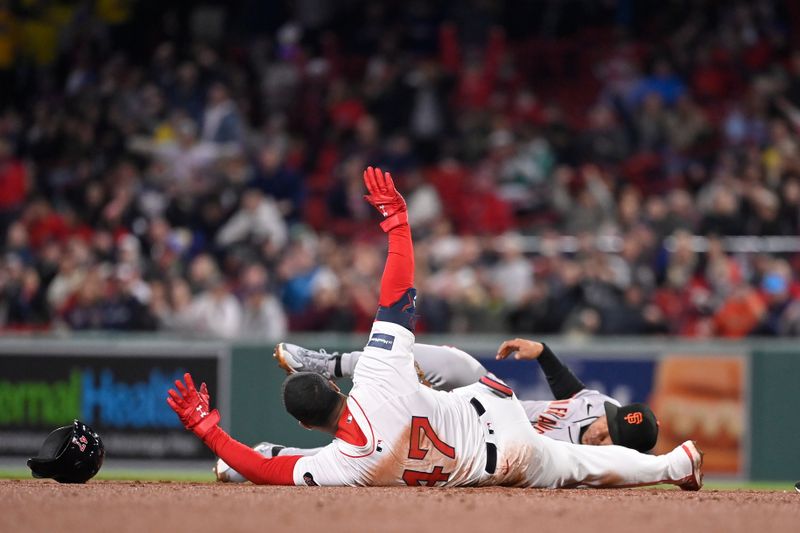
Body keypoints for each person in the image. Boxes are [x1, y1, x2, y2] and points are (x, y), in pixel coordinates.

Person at [167, 166, 703, 489]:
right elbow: (398, 295)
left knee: (577, 464)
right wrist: (399, 223)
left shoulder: (343, 465)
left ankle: (674, 464)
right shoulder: (378, 375)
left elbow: (272, 474)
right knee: (577, 460)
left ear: (309, 425)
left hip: (497, 462)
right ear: (336, 388)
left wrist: (208, 431)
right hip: (495, 410)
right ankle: (676, 463)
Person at [214, 338, 658, 482]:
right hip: (490, 409)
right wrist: (543, 353)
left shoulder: (604, 465)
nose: (602, 432)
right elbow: (576, 395)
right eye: (607, 426)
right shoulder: (604, 407)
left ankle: (271, 457)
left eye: (610, 439)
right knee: (458, 362)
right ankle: (327, 365)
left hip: (490, 456)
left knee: (389, 463)